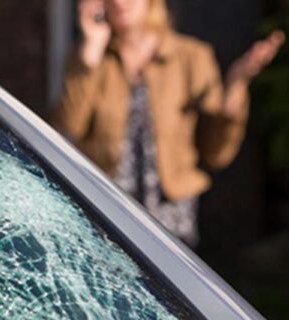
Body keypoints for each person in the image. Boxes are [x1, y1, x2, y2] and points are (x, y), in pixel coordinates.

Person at [50, 0, 285, 246]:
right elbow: (68, 127)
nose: (119, 2)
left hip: (170, 216)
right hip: (106, 209)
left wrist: (236, 86)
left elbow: (217, 153)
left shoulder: (191, 57)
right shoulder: (92, 56)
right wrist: (88, 60)